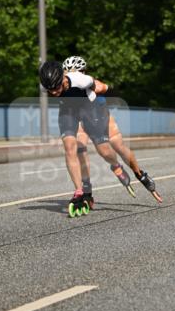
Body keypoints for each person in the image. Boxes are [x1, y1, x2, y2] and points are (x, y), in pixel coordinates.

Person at [62, 56, 162, 203]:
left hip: (100, 115)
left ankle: (139, 174)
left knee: (117, 147)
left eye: (75, 72)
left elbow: (105, 88)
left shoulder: (89, 82)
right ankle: (86, 189)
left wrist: (111, 94)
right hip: (79, 117)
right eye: (68, 73)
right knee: (80, 149)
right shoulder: (63, 85)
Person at [39, 61, 131, 217]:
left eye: (56, 88)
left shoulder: (81, 80)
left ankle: (116, 165)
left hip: (89, 110)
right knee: (69, 148)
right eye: (50, 90)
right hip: (68, 111)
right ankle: (79, 191)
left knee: (104, 150)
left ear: (63, 78)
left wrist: (115, 97)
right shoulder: (50, 85)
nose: (54, 92)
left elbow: (103, 88)